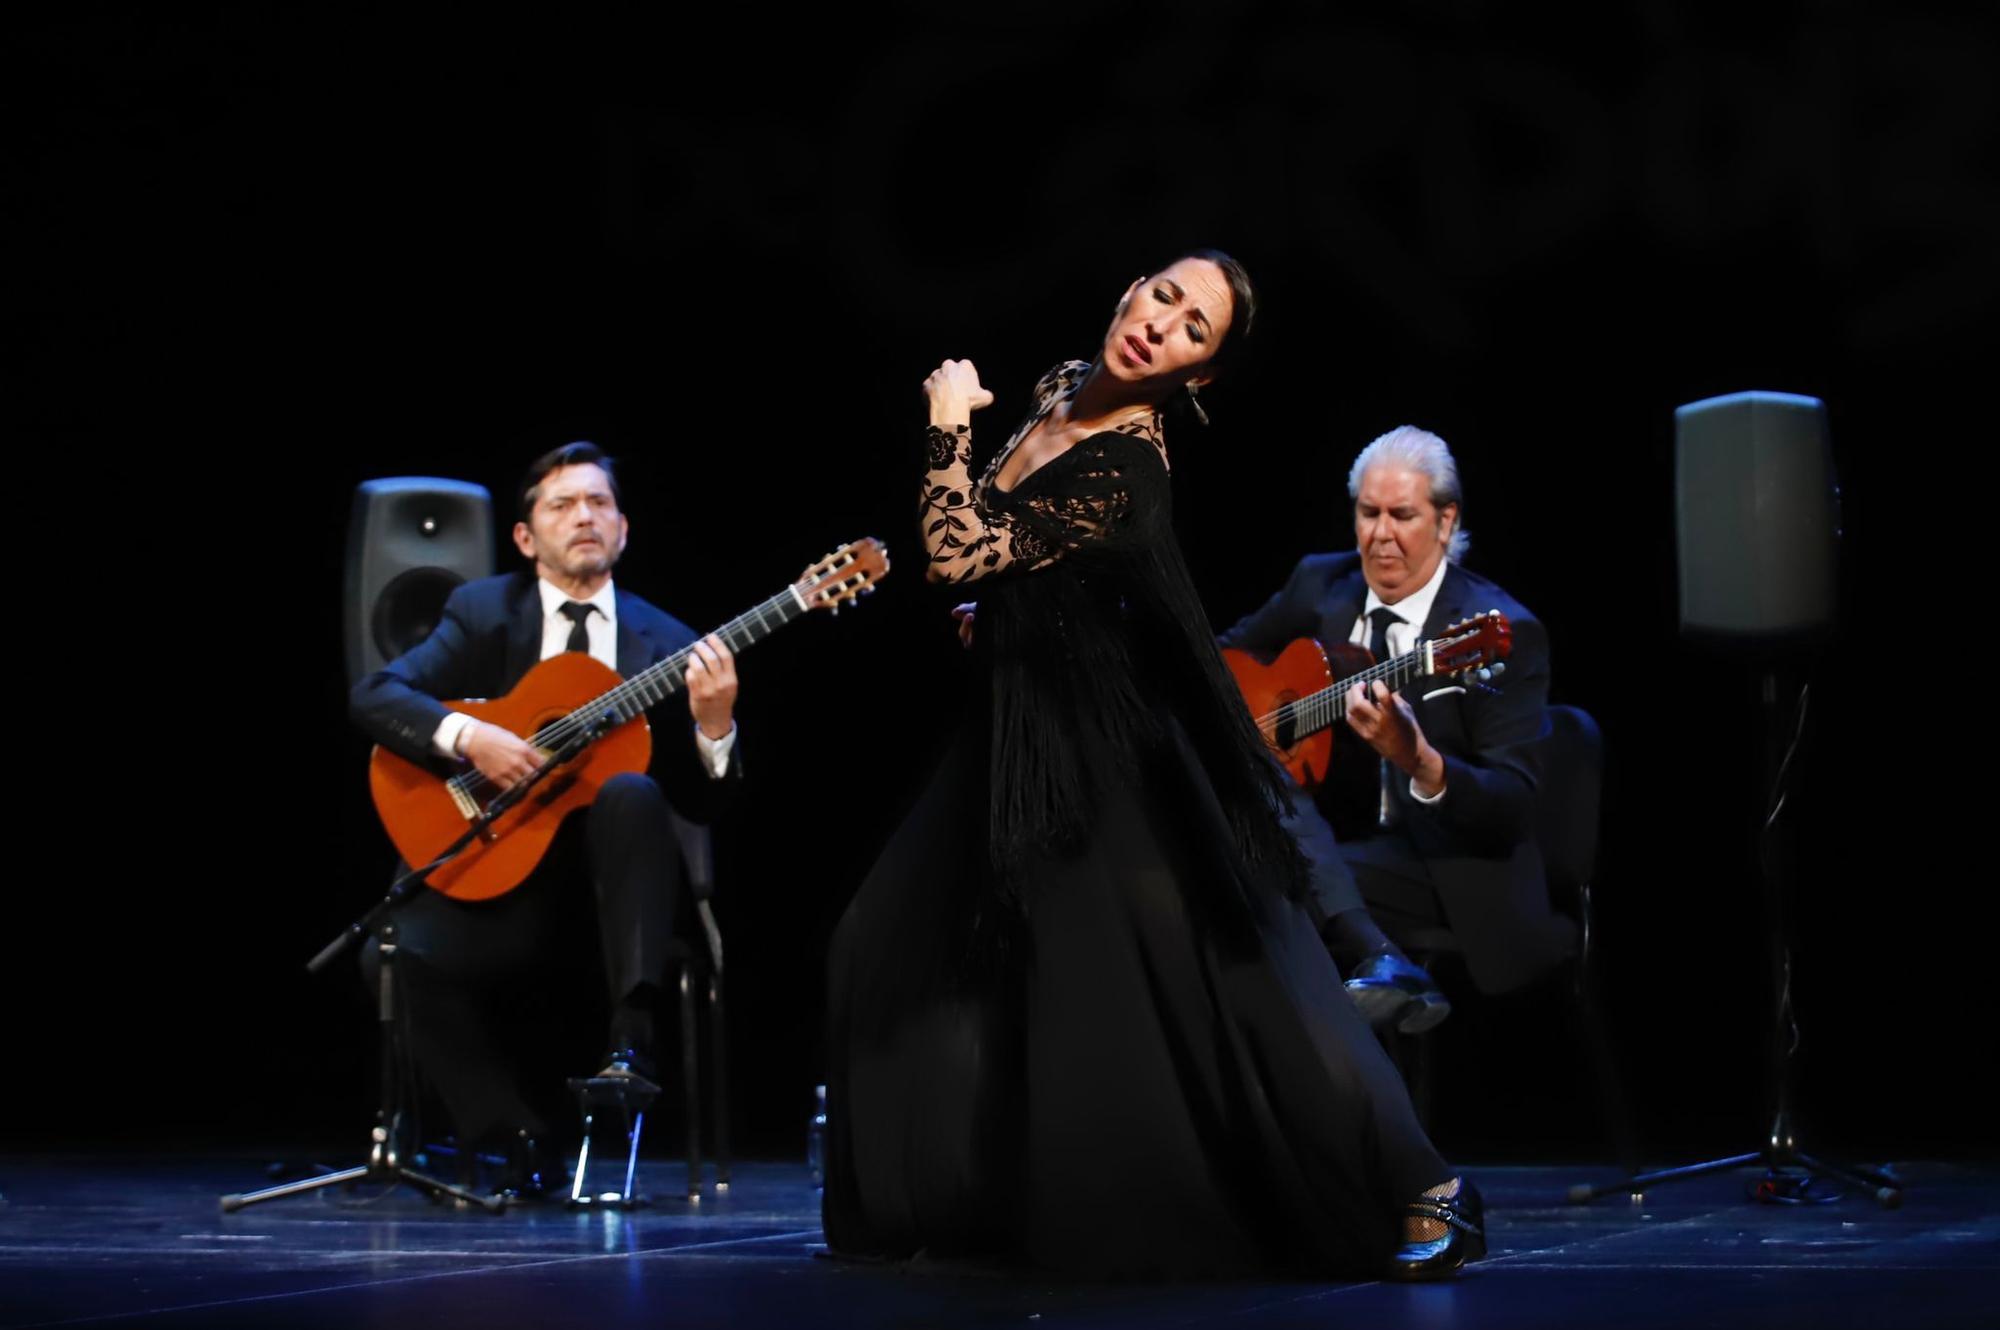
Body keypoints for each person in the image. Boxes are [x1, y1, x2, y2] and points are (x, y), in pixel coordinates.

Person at [823, 253, 1483, 1280]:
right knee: (884, 940)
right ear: (1131, 288)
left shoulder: (1128, 463)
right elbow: (1013, 554)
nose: (1161, 327)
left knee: (1243, 970)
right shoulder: (1054, 386)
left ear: (1197, 377)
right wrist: (1001, 611)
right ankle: (955, 1193)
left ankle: (1424, 1182)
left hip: (1107, 744)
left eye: (1193, 333)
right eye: (1165, 298)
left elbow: (954, 547)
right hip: (1019, 727)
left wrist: (947, 422)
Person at [350, 442, 742, 1174]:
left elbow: (703, 804)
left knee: (630, 790)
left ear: (623, 529)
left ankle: (629, 1050)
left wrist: (714, 727)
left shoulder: (670, 645)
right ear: (527, 537)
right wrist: (471, 737)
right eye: (562, 505)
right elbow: (375, 696)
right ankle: (510, 1136)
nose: (584, 517)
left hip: (617, 905)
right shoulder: (480, 613)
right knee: (392, 956)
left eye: (599, 503)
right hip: (504, 884)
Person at [1218, 426, 1567, 1000]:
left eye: (1402, 515)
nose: (1381, 535)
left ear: (1445, 521)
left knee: (1262, 880)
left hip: (1442, 862)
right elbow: (1222, 660)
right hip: (1331, 832)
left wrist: (1419, 759)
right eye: (1368, 513)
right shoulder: (1321, 584)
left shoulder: (1498, 629)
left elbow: (1512, 807)